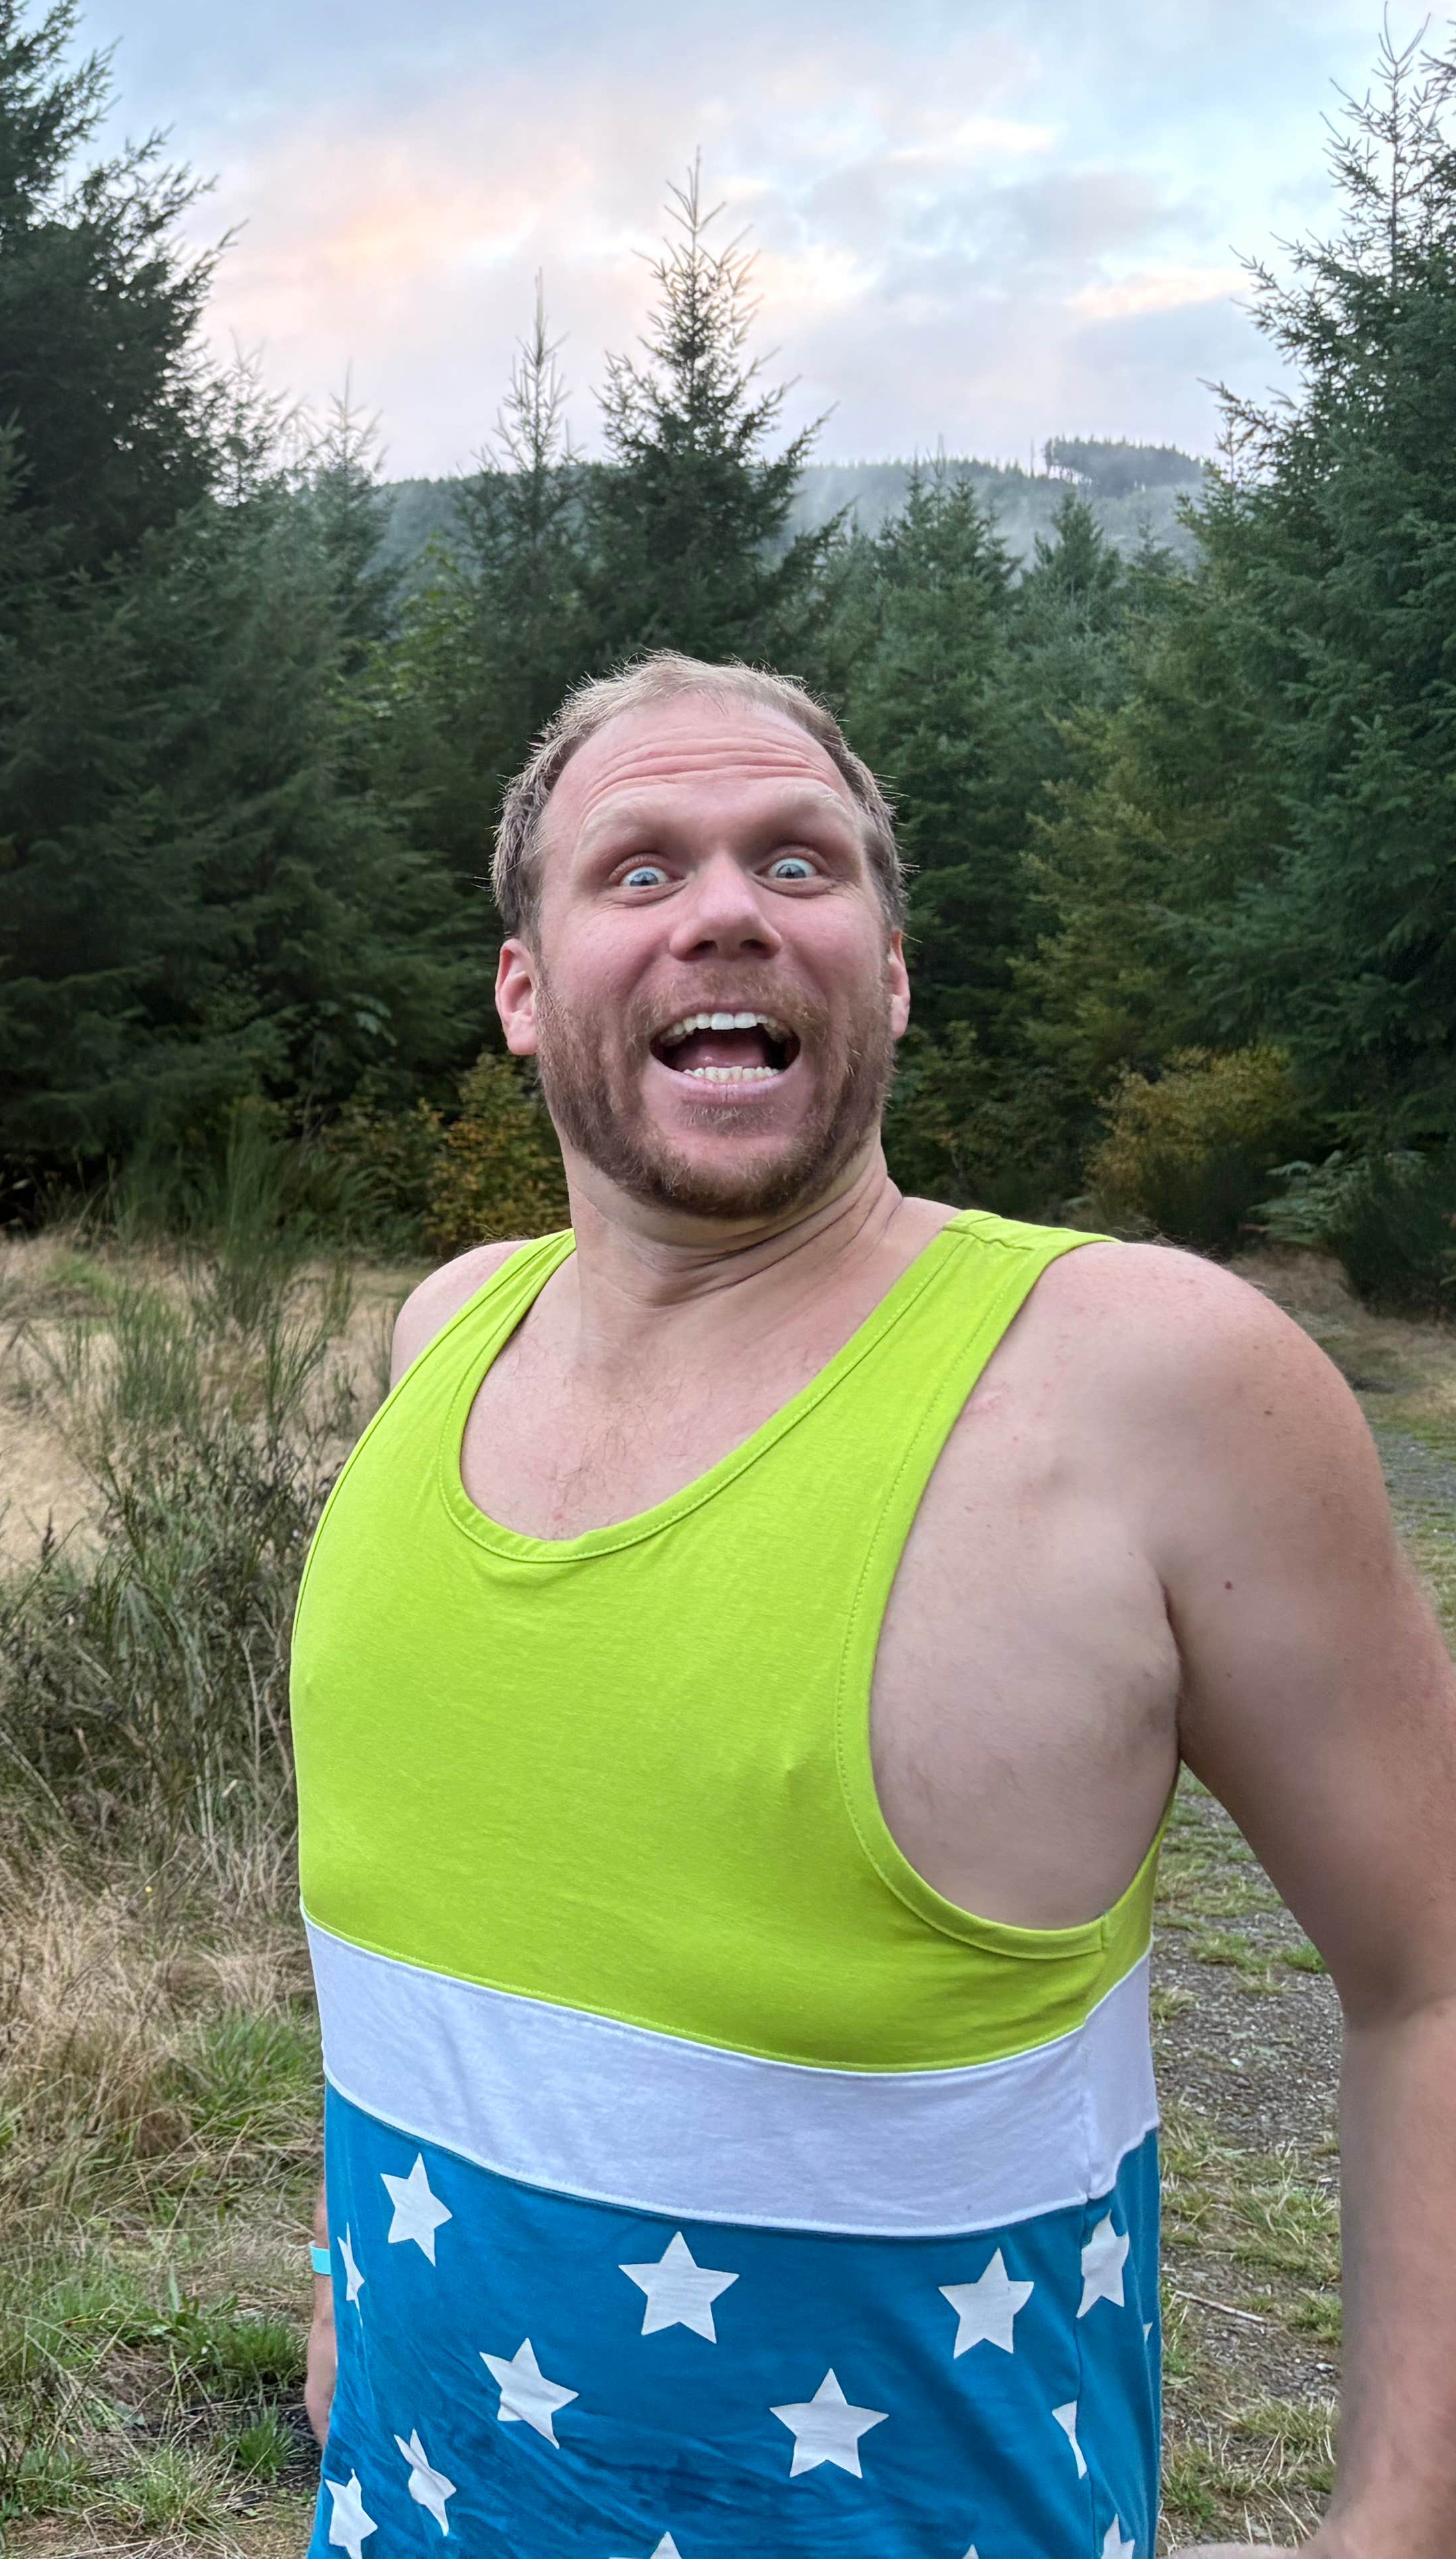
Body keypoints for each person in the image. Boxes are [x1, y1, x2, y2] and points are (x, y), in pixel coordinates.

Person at [290, 653, 1456, 2558]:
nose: (729, 907)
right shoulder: (443, 1338)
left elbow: (1434, 1967)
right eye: (642, 869)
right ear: (523, 986)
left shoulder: (1141, 1385)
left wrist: (1403, 2521)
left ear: (892, 975)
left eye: (799, 863)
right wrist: (357, 2272)